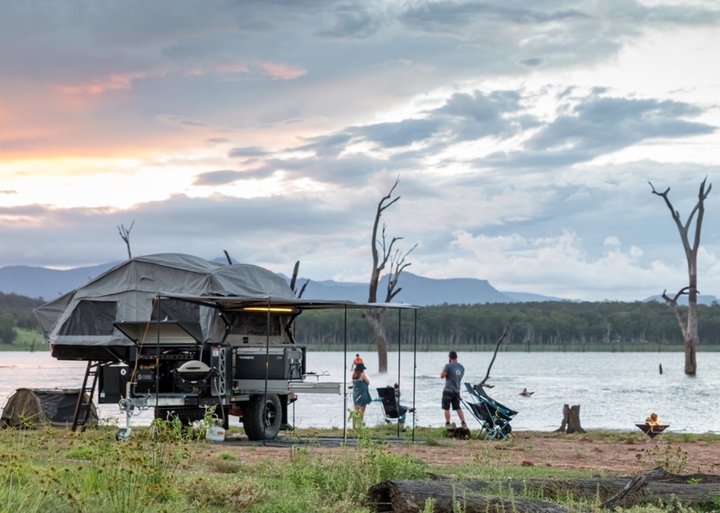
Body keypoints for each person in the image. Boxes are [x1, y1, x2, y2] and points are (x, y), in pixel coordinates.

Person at [440, 350, 467, 429]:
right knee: (458, 407)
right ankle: (463, 422)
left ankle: (447, 423)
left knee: (446, 408)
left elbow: (442, 376)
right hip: (457, 390)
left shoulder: (448, 366)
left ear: (449, 357)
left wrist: (443, 370)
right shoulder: (462, 367)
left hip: (448, 390)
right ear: (456, 357)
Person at [351, 362, 372, 427]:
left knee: (355, 410)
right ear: (361, 369)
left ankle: (354, 426)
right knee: (361, 412)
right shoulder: (362, 374)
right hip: (363, 394)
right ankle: (360, 426)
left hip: (356, 395)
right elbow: (368, 382)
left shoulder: (353, 375)